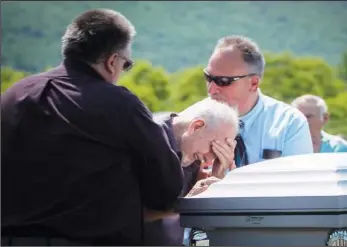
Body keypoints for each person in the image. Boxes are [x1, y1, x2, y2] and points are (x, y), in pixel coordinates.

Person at [1, 9, 184, 246]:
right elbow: (167, 193)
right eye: (126, 65)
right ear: (112, 61)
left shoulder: (13, 96)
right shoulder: (118, 104)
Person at [205, 35, 313, 166]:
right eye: (208, 77)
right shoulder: (194, 122)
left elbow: (296, 181)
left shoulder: (289, 123)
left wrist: (231, 175)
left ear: (254, 83)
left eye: (223, 81)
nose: (211, 89)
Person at [144, 98, 239, 246]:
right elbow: (128, 213)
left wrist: (216, 175)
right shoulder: (147, 138)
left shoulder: (191, 149)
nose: (208, 161)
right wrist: (188, 203)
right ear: (196, 126)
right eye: (213, 148)